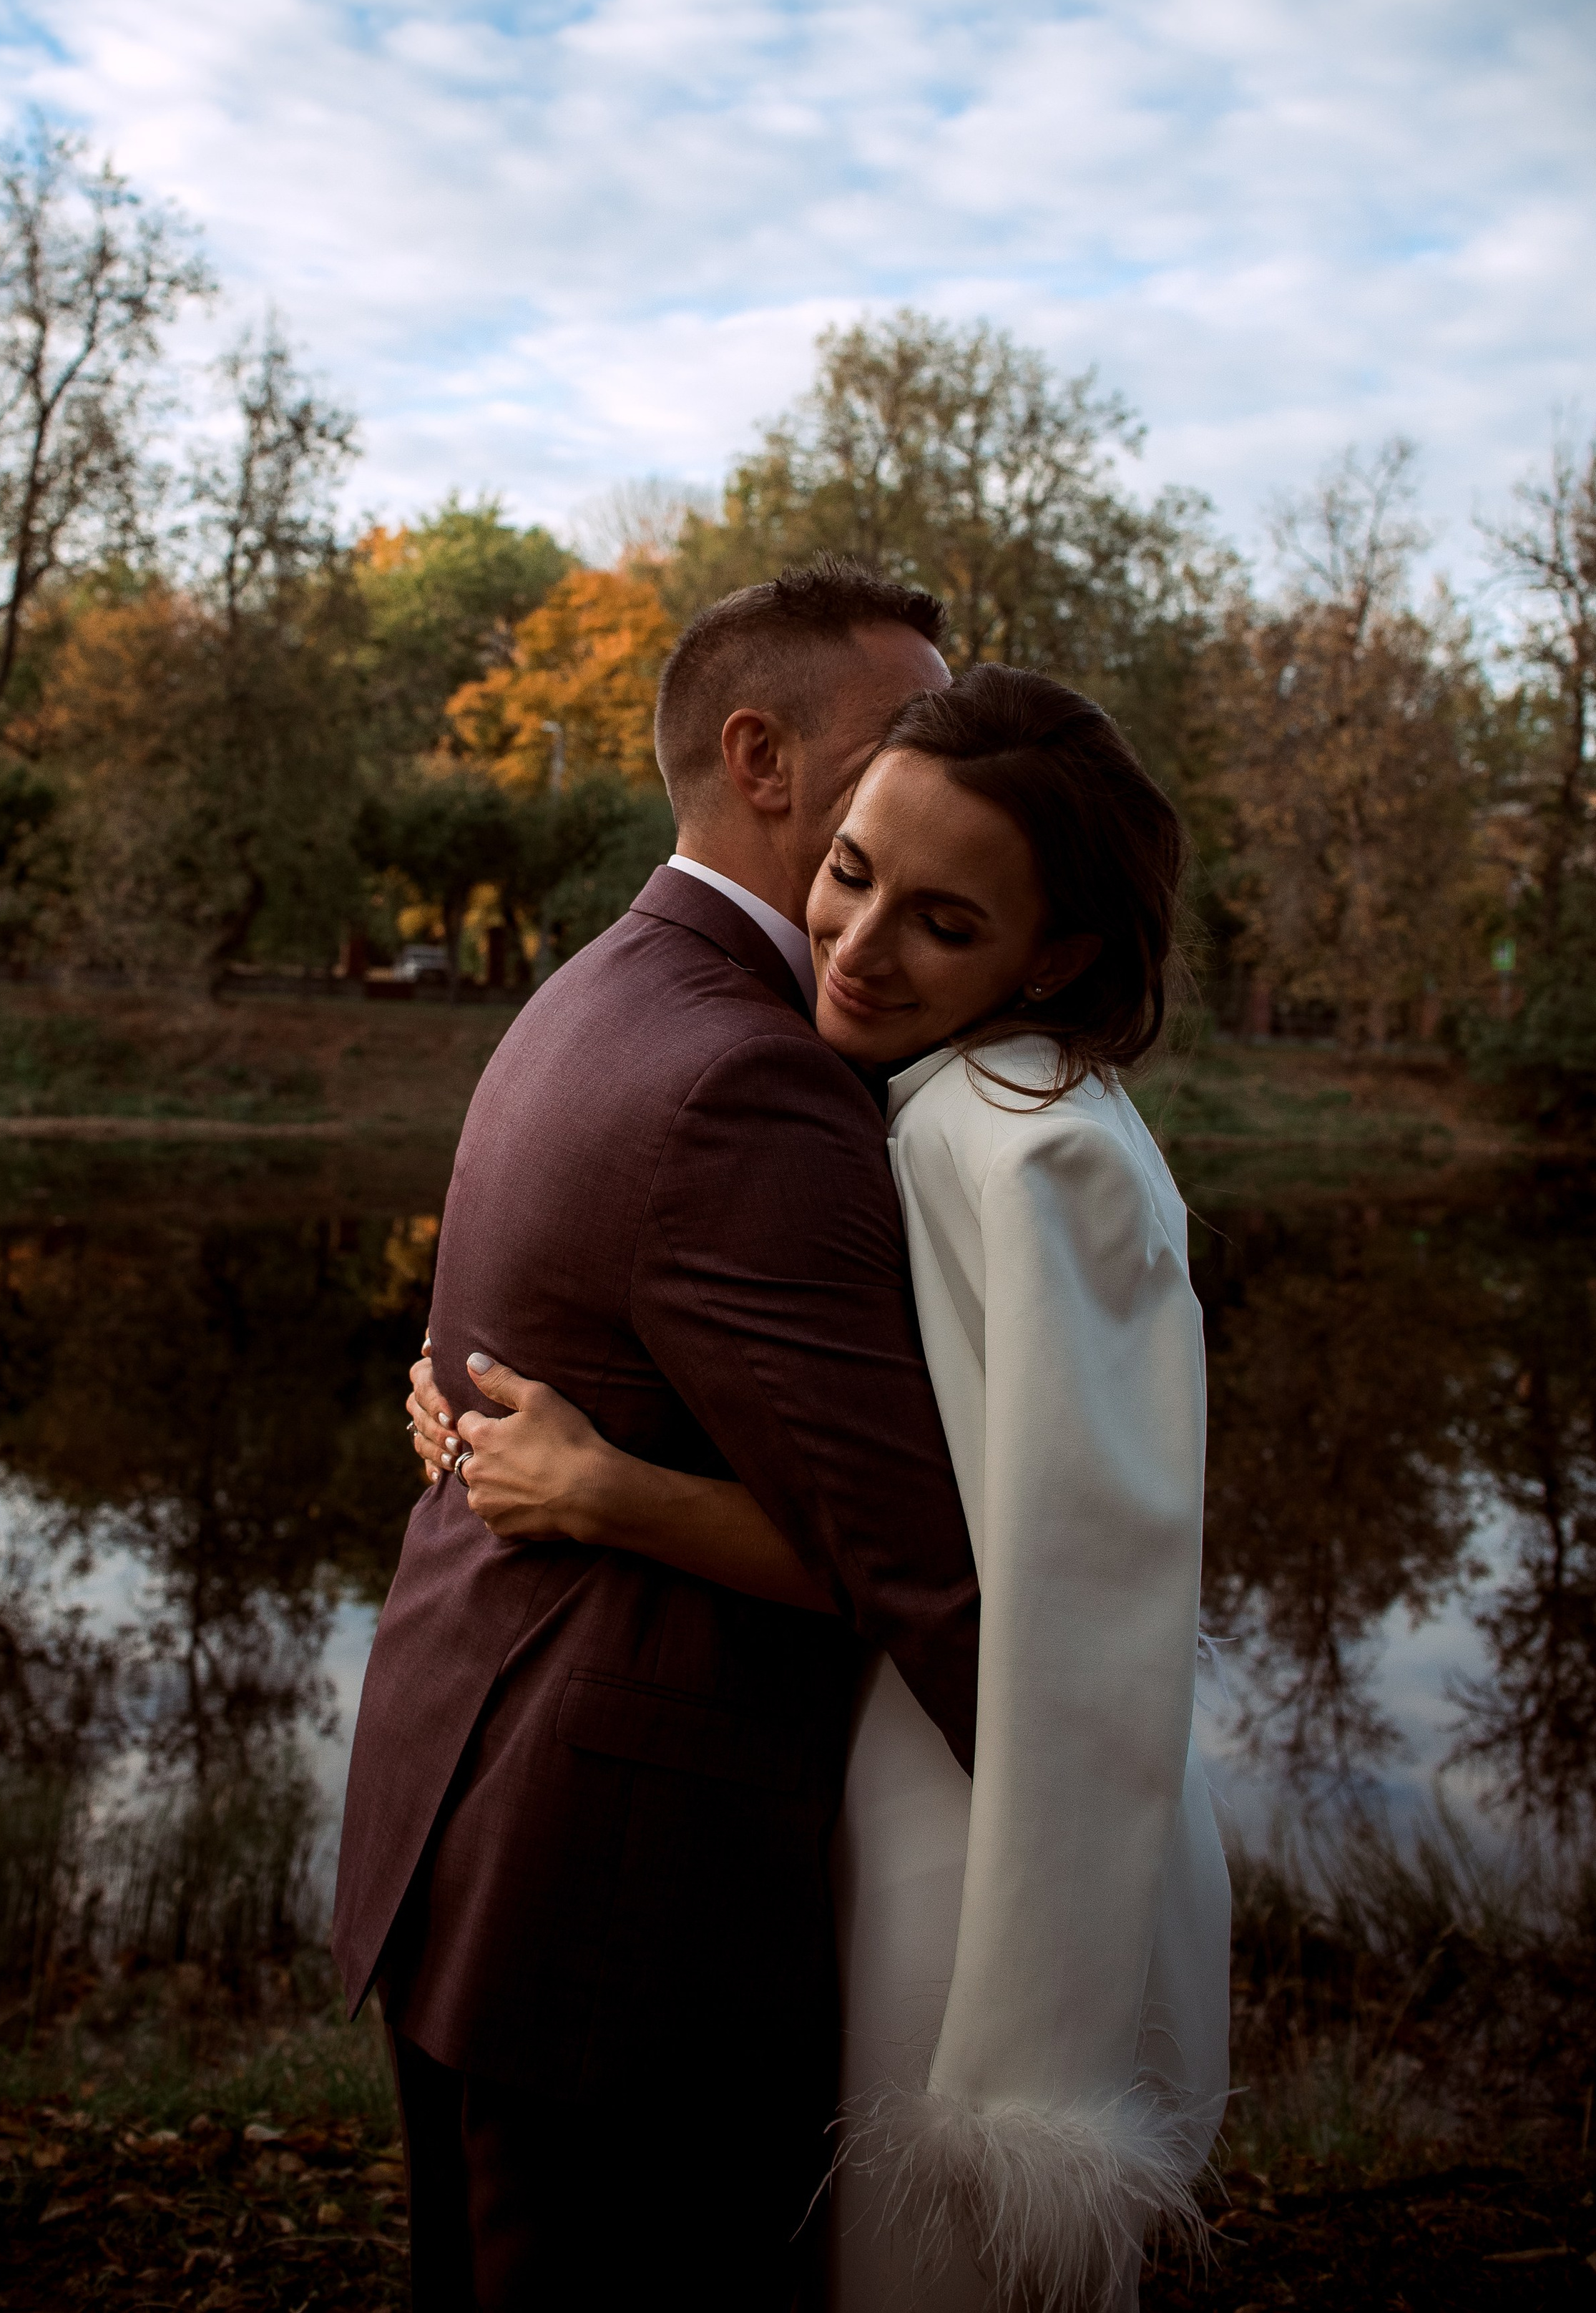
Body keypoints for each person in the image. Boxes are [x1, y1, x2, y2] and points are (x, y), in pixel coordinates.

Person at [411, 665, 1230, 2313]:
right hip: (890, 1774)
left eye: (941, 923)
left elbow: (1024, 1597)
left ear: (1052, 956)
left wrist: (606, 1488)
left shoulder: (1028, 1146)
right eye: (850, 874)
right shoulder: (926, 1098)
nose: (856, 946)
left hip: (979, 1826)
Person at [333, 559, 986, 2313]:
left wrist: (585, 1475)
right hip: (610, 1908)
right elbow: (922, 1572)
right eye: (901, 730)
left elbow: (513, 1325)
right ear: (763, 759)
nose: (945, 761)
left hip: (475, 1823)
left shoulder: (601, 985)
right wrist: (1086, 1790)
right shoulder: (745, 1074)